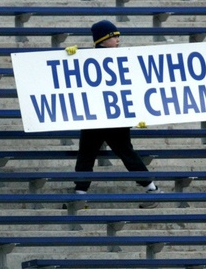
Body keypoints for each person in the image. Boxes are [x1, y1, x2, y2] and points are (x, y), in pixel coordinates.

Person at [64, 20, 162, 209]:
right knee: (90, 153)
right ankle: (81, 193)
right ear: (102, 40)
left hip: (113, 117)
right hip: (96, 115)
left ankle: (152, 189)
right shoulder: (87, 58)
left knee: (120, 153)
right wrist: (69, 59)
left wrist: (139, 113)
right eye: (113, 36)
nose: (118, 39)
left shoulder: (123, 58)